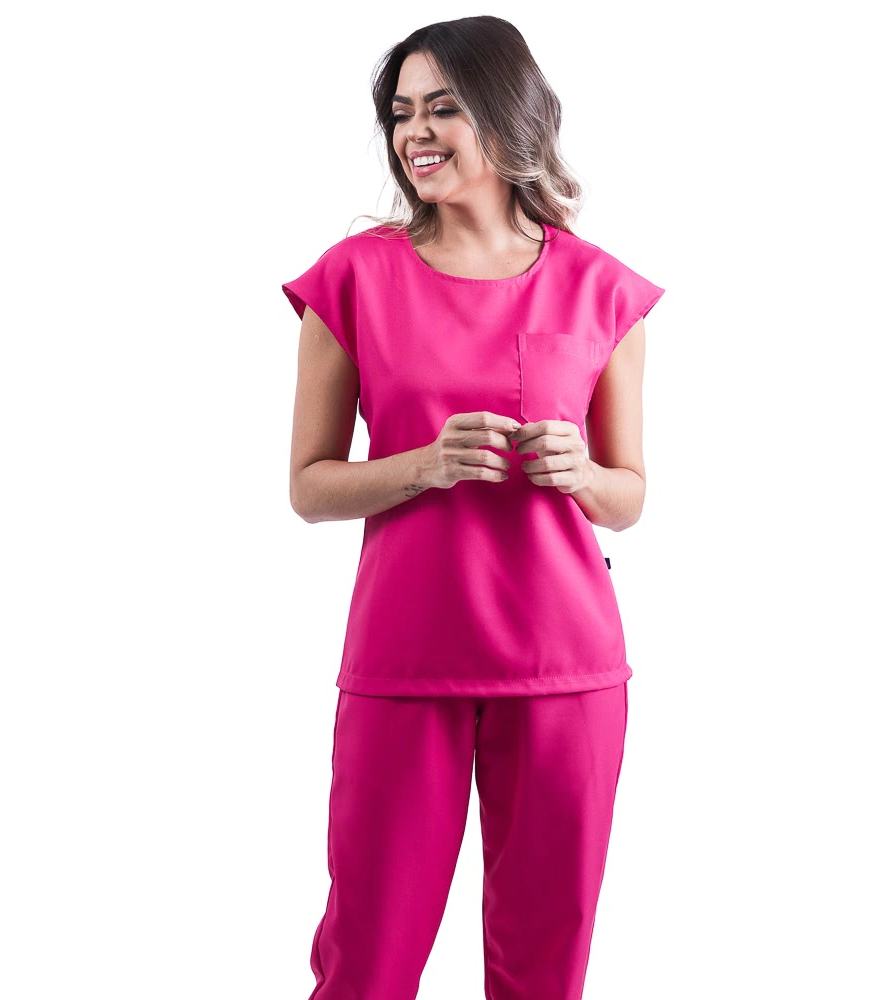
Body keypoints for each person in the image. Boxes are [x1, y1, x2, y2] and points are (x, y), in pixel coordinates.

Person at [281, 16, 665, 1000]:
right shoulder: (353, 278)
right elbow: (309, 484)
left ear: (508, 115)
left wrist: (582, 473)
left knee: (544, 969)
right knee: (366, 960)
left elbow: (627, 495)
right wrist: (422, 465)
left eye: (443, 107)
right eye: (402, 112)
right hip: (405, 658)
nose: (415, 132)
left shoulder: (601, 289)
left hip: (566, 667)